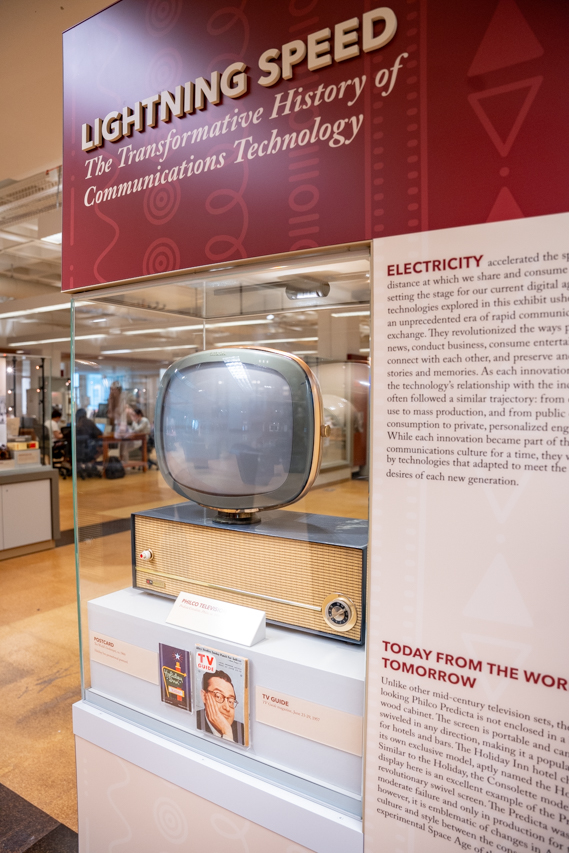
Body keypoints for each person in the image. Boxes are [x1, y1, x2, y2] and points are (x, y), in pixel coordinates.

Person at [197, 670, 245, 744]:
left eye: (230, 701)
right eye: (218, 696)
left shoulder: (242, 731)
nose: (227, 708)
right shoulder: (193, 721)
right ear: (204, 696)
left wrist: (227, 732)